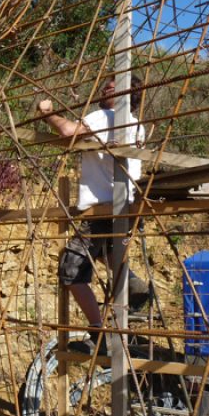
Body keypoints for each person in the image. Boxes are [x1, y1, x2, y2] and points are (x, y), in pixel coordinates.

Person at [38, 76, 149, 331]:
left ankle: (97, 330)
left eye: (110, 88)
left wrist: (48, 113)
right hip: (126, 206)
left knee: (71, 270)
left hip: (103, 208)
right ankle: (132, 282)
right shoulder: (137, 126)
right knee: (104, 251)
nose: (103, 90)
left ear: (124, 96)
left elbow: (68, 132)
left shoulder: (106, 116)